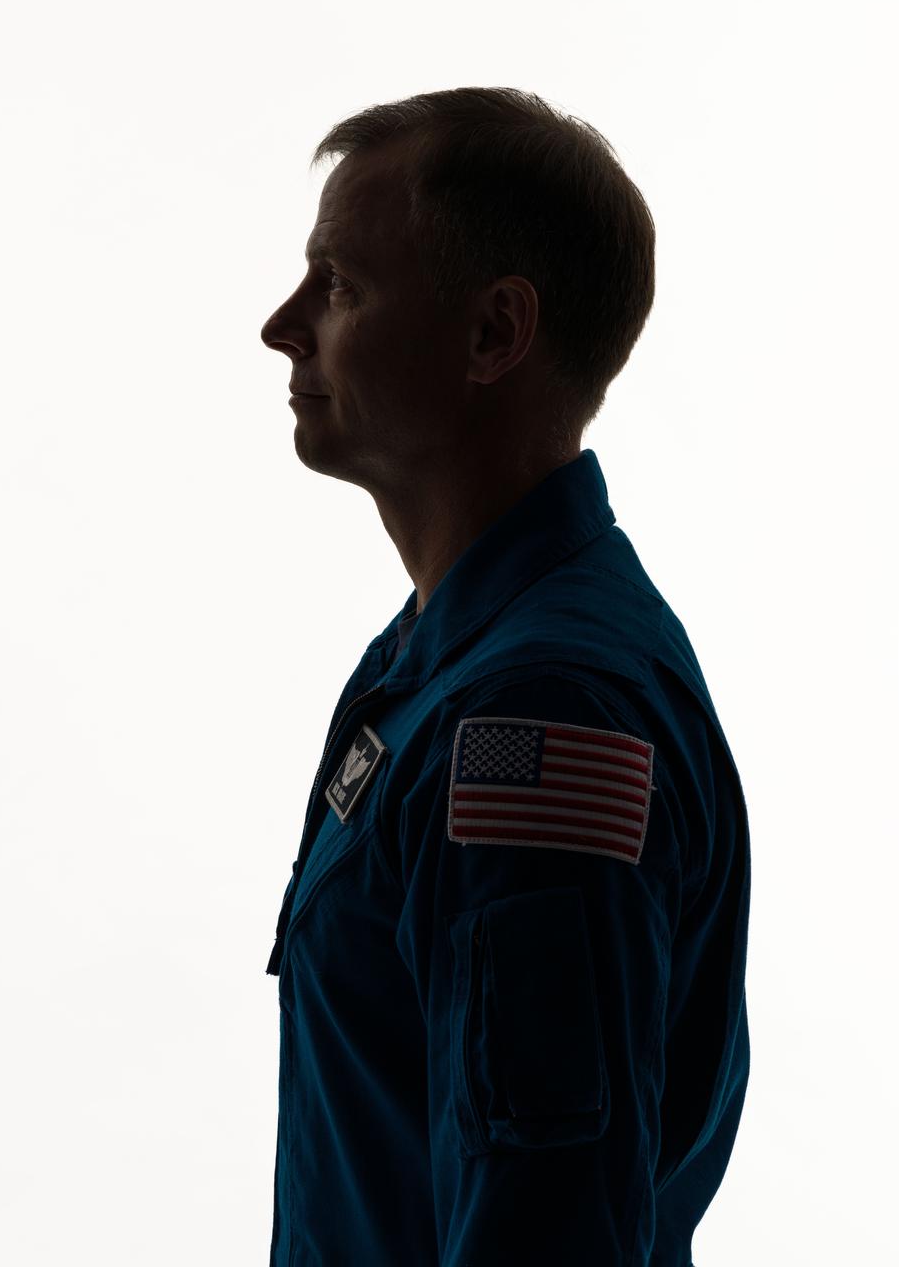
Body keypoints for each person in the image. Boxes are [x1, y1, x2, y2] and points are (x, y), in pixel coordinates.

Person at [259, 87, 751, 1267]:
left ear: (493, 334)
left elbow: (544, 1228)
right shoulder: (439, 657)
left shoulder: (535, 711)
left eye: (337, 285)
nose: (280, 326)